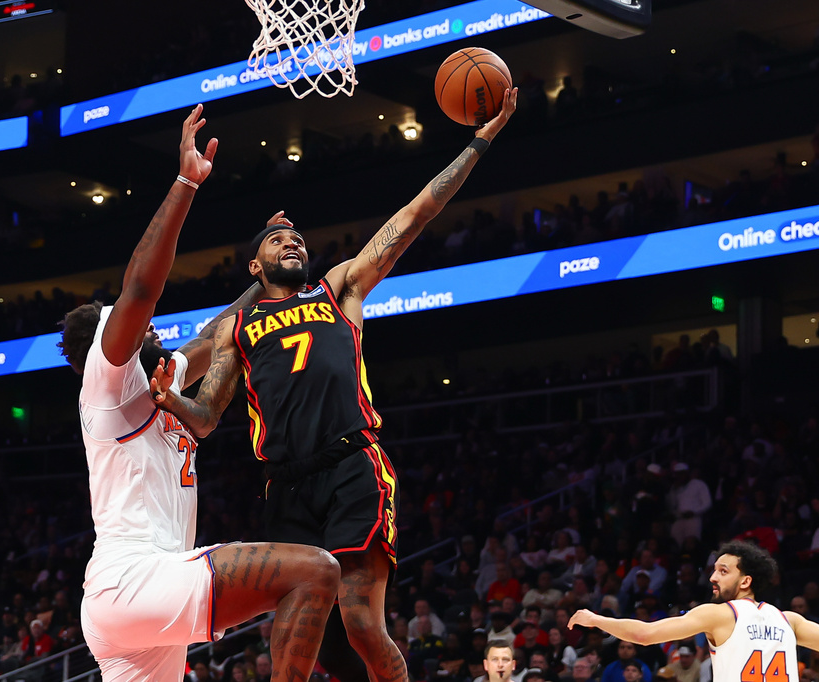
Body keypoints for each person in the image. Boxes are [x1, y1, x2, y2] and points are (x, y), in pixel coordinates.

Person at [150, 90, 519, 682]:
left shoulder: (337, 290)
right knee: (312, 640)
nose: (292, 242)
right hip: (286, 487)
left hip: (352, 465)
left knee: (361, 621)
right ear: (254, 267)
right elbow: (207, 415)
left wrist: (480, 141)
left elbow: (415, 214)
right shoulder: (235, 329)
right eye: (277, 240)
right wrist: (170, 398)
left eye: (296, 238)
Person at [58, 104, 340, 682]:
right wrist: (186, 183)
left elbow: (217, 336)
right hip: (134, 579)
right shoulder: (107, 381)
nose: (157, 332)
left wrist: (264, 271)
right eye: (145, 328)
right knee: (316, 572)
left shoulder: (159, 379)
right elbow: (142, 285)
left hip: (134, 602)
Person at [569, 541, 819, 682]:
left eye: (723, 571)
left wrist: (595, 619)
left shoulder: (720, 614)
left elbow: (645, 635)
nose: (712, 577)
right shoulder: (791, 621)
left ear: (745, 581)